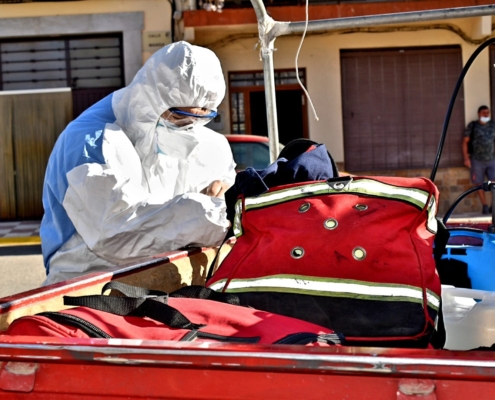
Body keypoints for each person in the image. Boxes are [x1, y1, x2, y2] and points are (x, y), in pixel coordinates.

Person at [40, 41, 236, 285]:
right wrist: (209, 214)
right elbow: (115, 234)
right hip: (86, 287)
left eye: (202, 117)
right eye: (179, 116)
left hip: (168, 284)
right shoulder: (91, 140)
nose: (188, 128)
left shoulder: (207, 141)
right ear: (152, 98)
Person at [462, 105, 495, 214]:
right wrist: (466, 158)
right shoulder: (473, 125)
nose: (486, 115)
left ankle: (493, 206)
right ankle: (485, 206)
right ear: (479, 114)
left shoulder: (492, 125)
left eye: (487, 113)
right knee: (479, 184)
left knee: (493, 183)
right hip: (477, 160)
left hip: (491, 159)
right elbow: (465, 142)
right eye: (484, 113)